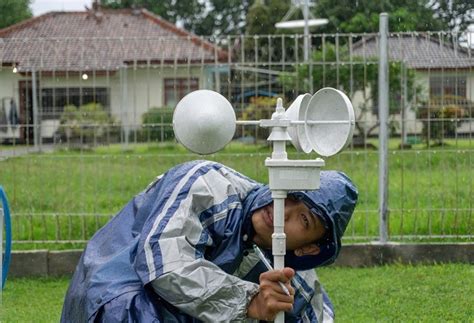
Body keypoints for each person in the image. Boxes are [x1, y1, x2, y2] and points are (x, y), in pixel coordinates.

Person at [61, 160, 358, 322]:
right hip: (115, 293)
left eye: (304, 219)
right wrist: (250, 301)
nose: (282, 210)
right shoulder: (209, 183)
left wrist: (272, 307)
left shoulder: (290, 273)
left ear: (309, 248)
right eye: (289, 194)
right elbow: (165, 264)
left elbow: (316, 314)